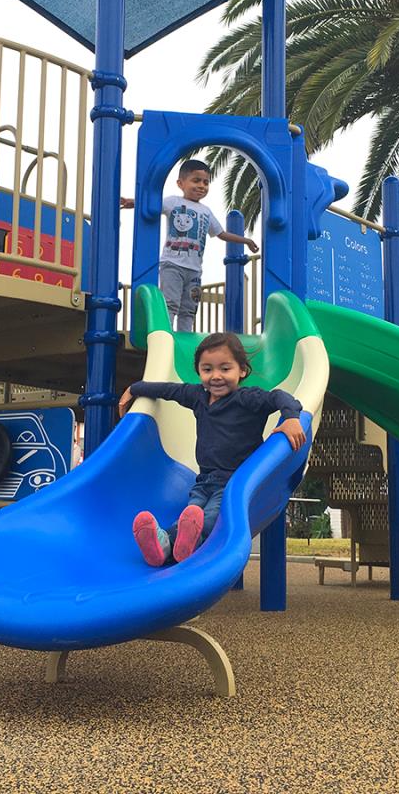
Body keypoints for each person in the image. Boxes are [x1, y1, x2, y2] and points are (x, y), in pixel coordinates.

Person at [118, 331, 306, 566]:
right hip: (204, 481)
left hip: (234, 483)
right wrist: (135, 389)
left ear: (242, 371)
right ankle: (164, 544)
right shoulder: (198, 397)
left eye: (225, 369)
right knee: (190, 515)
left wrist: (290, 417)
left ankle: (187, 547)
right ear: (199, 372)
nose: (216, 376)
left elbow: (279, 397)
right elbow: (167, 390)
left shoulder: (248, 399)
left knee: (208, 519)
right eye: (207, 369)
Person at [121, 160, 259, 331]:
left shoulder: (206, 211)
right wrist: (132, 202)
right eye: (196, 180)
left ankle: (184, 337)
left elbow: (221, 233)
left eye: (206, 182)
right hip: (172, 265)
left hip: (194, 270)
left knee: (189, 308)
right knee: (170, 302)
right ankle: (166, 334)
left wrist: (246, 240)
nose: (201, 185)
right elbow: (153, 205)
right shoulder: (173, 202)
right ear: (181, 183)